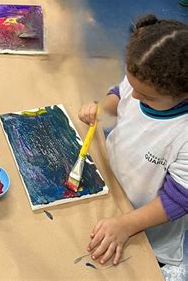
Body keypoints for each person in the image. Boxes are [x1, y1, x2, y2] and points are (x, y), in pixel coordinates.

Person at [78, 15, 188, 267]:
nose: (135, 96)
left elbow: (178, 199)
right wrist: (101, 108)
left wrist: (126, 225)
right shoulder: (143, 80)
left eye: (146, 97)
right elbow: (120, 95)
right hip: (113, 185)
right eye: (132, 85)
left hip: (146, 224)